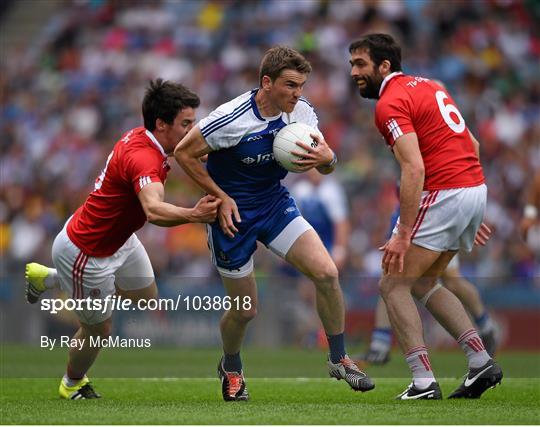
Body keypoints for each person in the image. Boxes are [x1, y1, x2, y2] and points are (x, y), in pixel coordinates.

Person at [174, 46, 374, 401]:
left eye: (301, 86)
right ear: (266, 82)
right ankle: (232, 367)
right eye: (290, 85)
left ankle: (339, 357)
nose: (298, 93)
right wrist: (220, 196)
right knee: (245, 310)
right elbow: (184, 153)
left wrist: (330, 158)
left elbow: (324, 164)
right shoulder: (230, 117)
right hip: (231, 216)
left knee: (327, 273)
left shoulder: (302, 114)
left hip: (273, 204)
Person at [24, 79, 221, 399]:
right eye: (186, 123)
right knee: (98, 331)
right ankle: (71, 383)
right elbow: (154, 210)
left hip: (120, 239)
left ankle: (51, 279)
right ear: (161, 124)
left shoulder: (148, 140)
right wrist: (194, 214)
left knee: (147, 298)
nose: (192, 129)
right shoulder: (144, 157)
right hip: (86, 253)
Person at [348, 33, 502, 400]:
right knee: (425, 282)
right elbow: (473, 145)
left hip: (447, 191)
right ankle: (480, 362)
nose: (353, 72)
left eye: (360, 64)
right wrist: (467, 206)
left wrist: (402, 232)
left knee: (392, 284)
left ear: (385, 66)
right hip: (471, 188)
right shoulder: (429, 86)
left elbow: (414, 169)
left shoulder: (389, 102)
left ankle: (422, 381)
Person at [358, 208, 499, 365]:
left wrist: (466, 213)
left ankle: (484, 330)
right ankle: (381, 345)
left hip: (433, 215)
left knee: (447, 281)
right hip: (416, 214)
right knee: (394, 280)